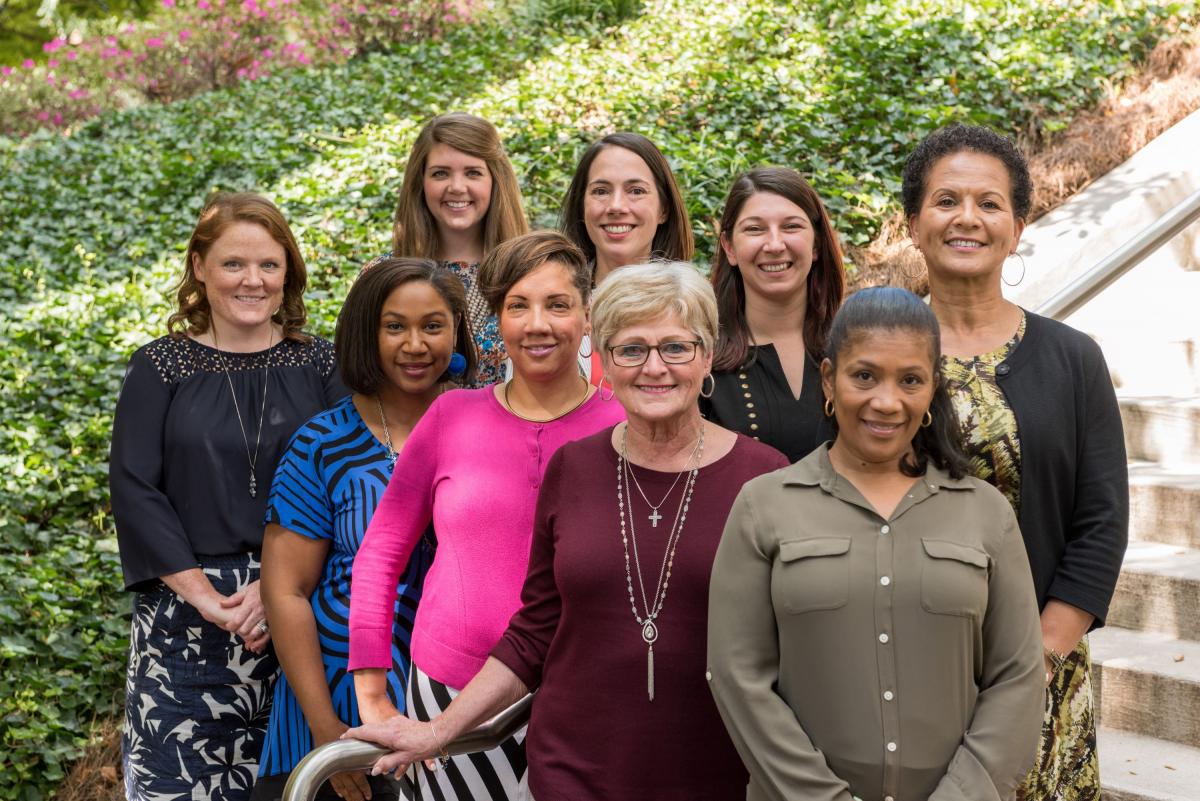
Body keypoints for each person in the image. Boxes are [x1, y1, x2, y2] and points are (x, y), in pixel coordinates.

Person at [345, 261, 789, 801]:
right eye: (630, 349)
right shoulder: (574, 467)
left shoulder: (763, 476)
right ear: (604, 355)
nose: (655, 368)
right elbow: (534, 629)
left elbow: (793, 643)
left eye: (676, 346)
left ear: (705, 355)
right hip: (573, 768)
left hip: (718, 766)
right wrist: (436, 731)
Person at [708, 286, 1045, 801]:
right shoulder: (763, 506)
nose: (886, 402)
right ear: (829, 379)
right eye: (864, 376)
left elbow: (1017, 678)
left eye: (910, 380)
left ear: (933, 387)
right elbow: (738, 677)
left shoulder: (985, 512)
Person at [347, 231, 626, 800]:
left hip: (585, 697)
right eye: (518, 306)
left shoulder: (624, 426)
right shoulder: (452, 415)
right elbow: (380, 554)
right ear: (497, 318)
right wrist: (371, 690)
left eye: (557, 304)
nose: (537, 324)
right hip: (450, 696)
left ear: (588, 315)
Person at [902, 123, 1128, 801]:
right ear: (913, 223)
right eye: (946, 201)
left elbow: (1102, 521)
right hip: (905, 679)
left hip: (1043, 681)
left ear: (1018, 227)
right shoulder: (877, 350)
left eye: (989, 202)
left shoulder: (1072, 357)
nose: (966, 217)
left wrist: (1031, 660)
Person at [110, 192, 347, 800]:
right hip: (186, 622)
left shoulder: (322, 363)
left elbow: (347, 485)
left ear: (288, 272)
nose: (253, 280)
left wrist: (280, 587)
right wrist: (208, 601)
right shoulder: (158, 367)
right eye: (234, 263)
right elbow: (136, 491)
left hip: (303, 615)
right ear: (199, 267)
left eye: (269, 265)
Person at [250, 259, 477, 801]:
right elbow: (285, 591)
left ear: (457, 332)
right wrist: (325, 732)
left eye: (433, 325)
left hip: (455, 711)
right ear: (365, 334)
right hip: (334, 706)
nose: (415, 344)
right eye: (394, 326)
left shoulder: (484, 429)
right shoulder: (323, 444)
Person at [704, 167, 845, 461]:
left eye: (791, 227)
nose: (775, 245)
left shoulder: (855, 346)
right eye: (755, 229)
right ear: (729, 247)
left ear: (816, 243)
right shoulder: (699, 359)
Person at [383, 111, 529, 387]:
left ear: (495, 181)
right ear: (421, 183)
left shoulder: (529, 273)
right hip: (410, 430)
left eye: (473, 173)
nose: (457, 187)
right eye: (440, 173)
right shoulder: (384, 275)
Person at [558, 132, 694, 384]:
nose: (616, 206)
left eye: (636, 191)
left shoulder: (694, 306)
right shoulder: (552, 307)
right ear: (582, 206)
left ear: (663, 209)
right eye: (601, 191)